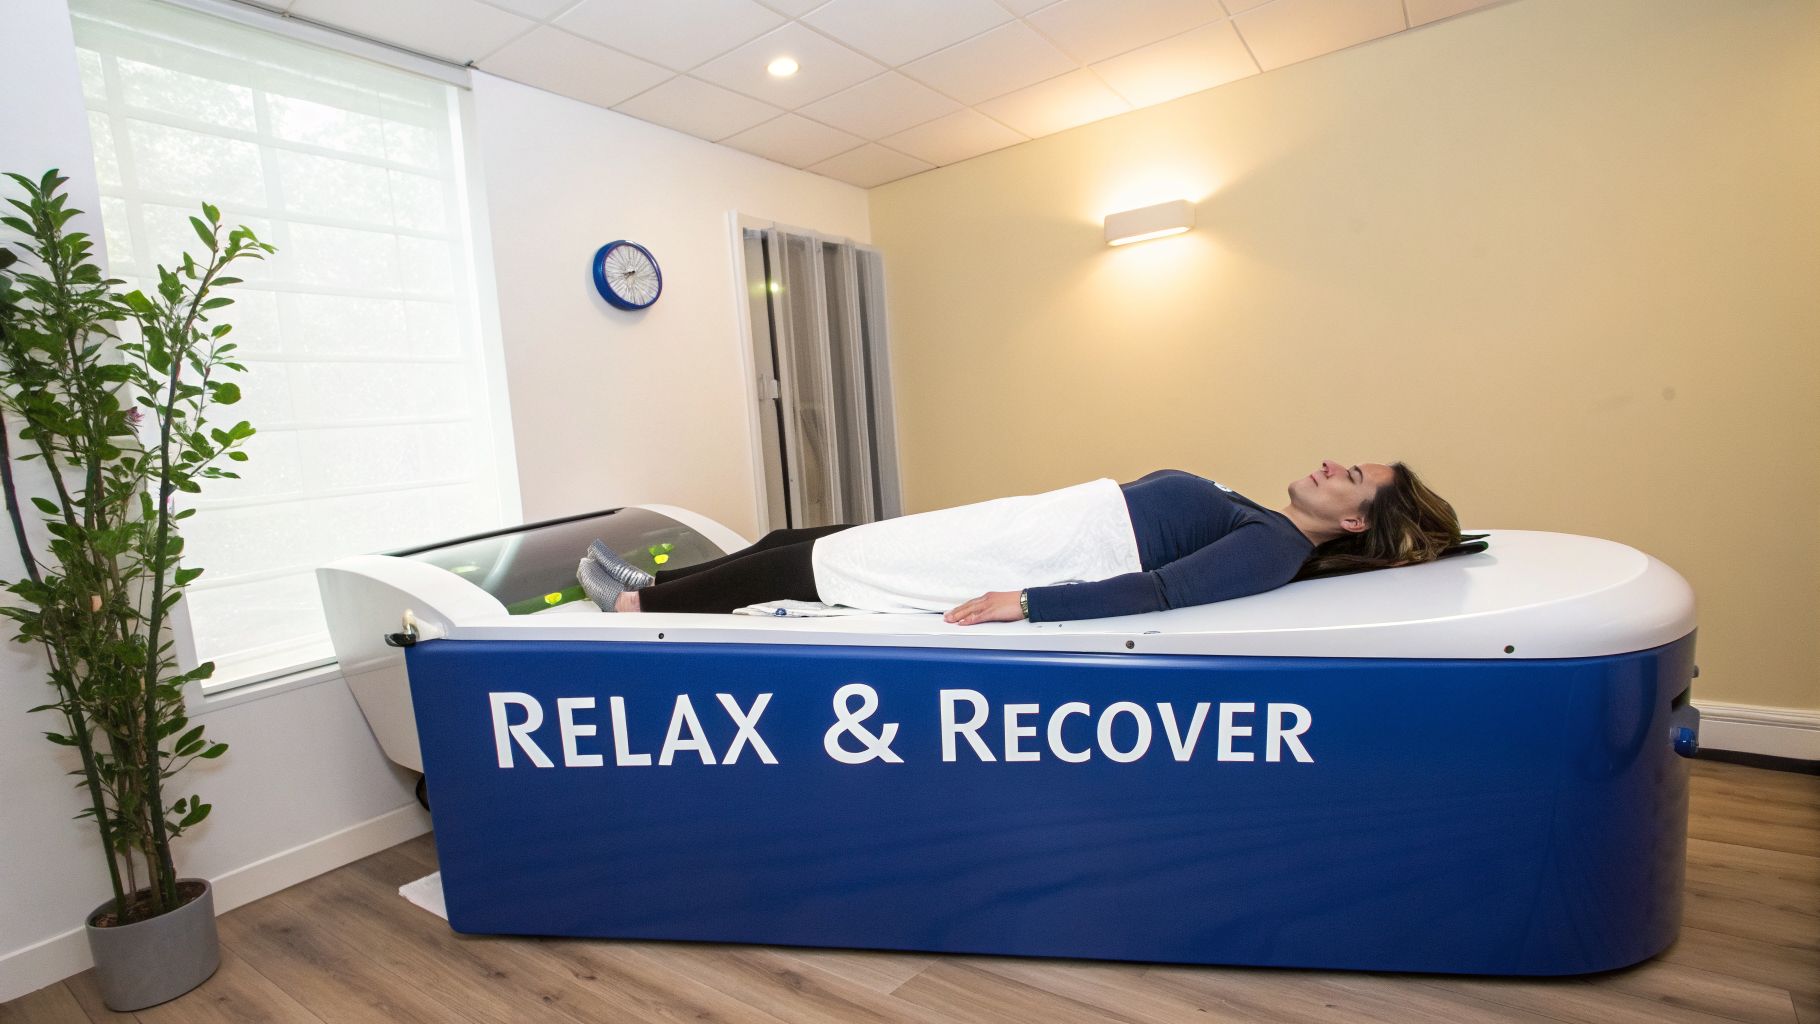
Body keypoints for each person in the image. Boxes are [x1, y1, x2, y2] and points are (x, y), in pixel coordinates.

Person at [577, 461, 1462, 626]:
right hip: (1024, 522)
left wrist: (1027, 603)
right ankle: (662, 577)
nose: (1333, 463)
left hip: (1024, 558)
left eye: (1354, 477)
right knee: (800, 534)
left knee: (813, 564)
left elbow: (1161, 594)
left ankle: (637, 603)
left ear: (1356, 521)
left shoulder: (1271, 548)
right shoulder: (1261, 516)